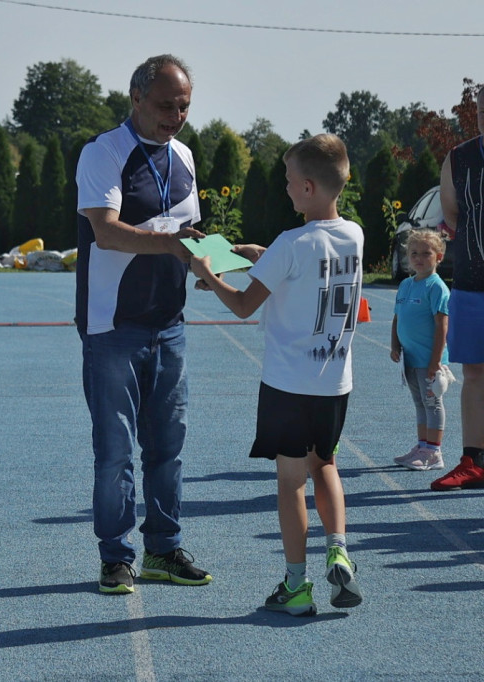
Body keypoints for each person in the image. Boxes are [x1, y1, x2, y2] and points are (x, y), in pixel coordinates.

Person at [190, 133, 363, 616]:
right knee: (324, 463)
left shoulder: (291, 243)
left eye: (289, 181)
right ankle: (339, 548)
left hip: (288, 385)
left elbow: (245, 306)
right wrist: (251, 252)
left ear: (308, 187)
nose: (285, 188)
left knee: (291, 483)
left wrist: (211, 273)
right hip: (334, 382)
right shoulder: (353, 234)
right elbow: (306, 261)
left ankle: (296, 585)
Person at [75, 54, 212, 595]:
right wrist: (178, 243)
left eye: (183, 106)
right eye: (164, 105)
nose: (175, 116)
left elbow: (192, 235)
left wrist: (233, 259)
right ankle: (115, 556)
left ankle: (164, 548)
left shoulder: (184, 155)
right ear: (135, 96)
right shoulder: (103, 152)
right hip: (112, 327)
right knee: (115, 451)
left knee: (168, 448)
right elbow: (107, 233)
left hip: (169, 324)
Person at [431, 85, 484, 491]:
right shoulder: (459, 158)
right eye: (483, 111)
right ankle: (474, 461)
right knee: (474, 373)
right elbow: (451, 213)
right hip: (471, 282)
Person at [390, 229, 452, 472]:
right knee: (419, 403)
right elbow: (398, 318)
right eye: (414, 253)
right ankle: (422, 445)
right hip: (411, 359)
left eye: (426, 254)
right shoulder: (406, 284)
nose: (419, 258)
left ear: (438, 257)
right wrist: (395, 345)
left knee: (432, 403)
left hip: (429, 360)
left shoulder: (436, 287)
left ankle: (433, 452)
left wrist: (435, 362)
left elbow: (442, 326)